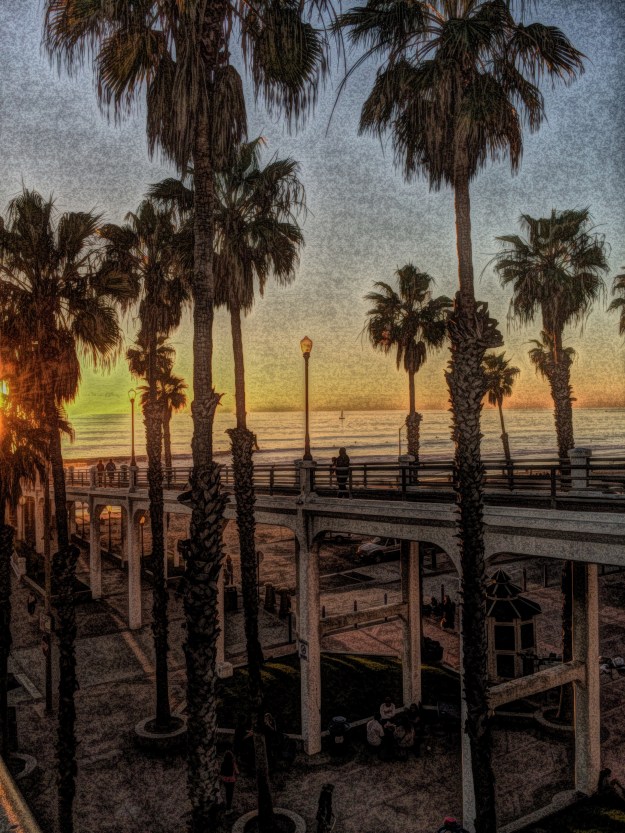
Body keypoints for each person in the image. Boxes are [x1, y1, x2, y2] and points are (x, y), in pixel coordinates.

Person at [219, 749, 239, 814]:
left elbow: (221, 772)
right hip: (231, 780)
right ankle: (228, 809)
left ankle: (226, 807)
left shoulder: (223, 763)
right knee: (230, 794)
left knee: (227, 792)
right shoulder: (233, 763)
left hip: (224, 780)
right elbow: (237, 772)